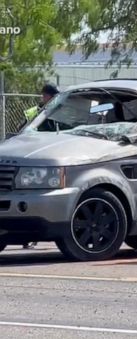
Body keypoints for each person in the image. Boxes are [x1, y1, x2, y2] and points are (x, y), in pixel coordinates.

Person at [22, 83, 59, 250]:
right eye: (51, 96)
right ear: (46, 96)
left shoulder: (57, 111)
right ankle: (27, 237)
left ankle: (29, 237)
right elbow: (23, 130)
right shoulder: (35, 112)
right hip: (33, 154)